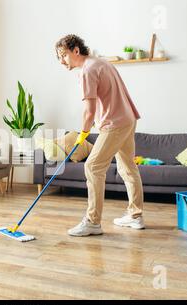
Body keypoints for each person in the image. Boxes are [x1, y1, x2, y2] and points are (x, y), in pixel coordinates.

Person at [55, 34, 145, 236]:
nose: (61, 61)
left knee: (93, 166)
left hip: (114, 124)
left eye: (64, 55)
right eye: (58, 57)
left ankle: (93, 222)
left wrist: (83, 132)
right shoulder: (101, 63)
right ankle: (135, 215)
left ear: (76, 50)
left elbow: (89, 110)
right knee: (128, 166)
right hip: (128, 119)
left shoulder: (87, 71)